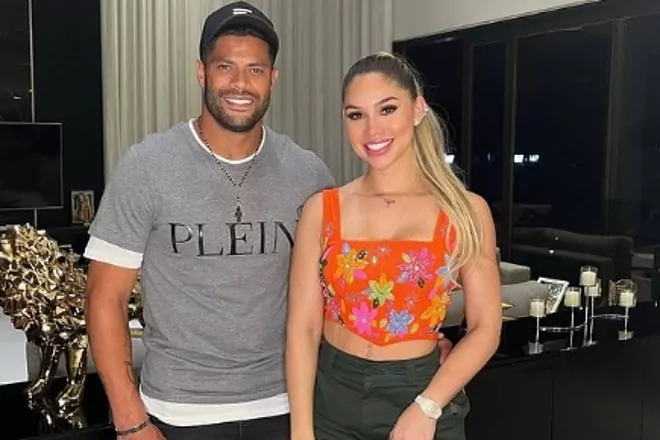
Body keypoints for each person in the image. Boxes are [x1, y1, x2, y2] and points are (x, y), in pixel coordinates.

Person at [83, 2, 335, 439]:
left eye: (255, 69)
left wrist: (418, 344)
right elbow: (104, 298)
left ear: (273, 78)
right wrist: (130, 420)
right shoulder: (146, 167)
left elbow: (337, 291)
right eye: (225, 66)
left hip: (287, 405)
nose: (240, 83)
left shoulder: (308, 174)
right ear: (202, 72)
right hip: (179, 413)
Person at [285, 52, 503, 440]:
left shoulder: (465, 210)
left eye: (387, 109)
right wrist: (301, 432)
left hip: (420, 394)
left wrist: (428, 406)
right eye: (356, 115)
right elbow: (303, 328)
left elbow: (486, 328)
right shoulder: (322, 209)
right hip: (332, 399)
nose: (372, 130)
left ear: (417, 109)